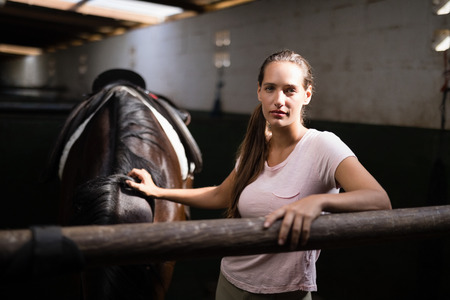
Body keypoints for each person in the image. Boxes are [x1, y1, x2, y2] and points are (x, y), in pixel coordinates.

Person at [126, 49, 391, 300]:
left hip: (286, 293)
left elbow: (380, 201)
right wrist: (158, 192)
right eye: (270, 88)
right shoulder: (256, 149)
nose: (279, 100)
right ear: (259, 92)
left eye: (290, 90)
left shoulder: (322, 146)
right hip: (230, 283)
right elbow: (220, 194)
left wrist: (319, 202)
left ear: (306, 95)